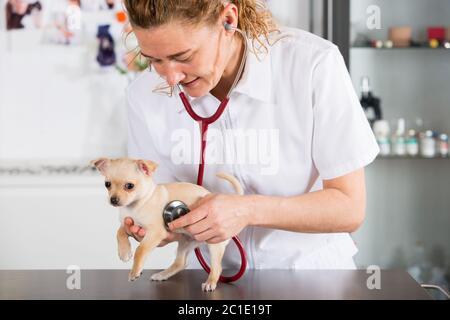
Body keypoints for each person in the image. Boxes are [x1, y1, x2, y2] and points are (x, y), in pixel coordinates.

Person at [122, 0, 380, 270]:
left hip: (314, 277)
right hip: (211, 283)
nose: (171, 78)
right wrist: (160, 225)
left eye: (183, 57)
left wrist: (246, 210)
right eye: (154, 60)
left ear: (228, 21)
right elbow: (159, 196)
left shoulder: (312, 64)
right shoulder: (143, 95)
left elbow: (349, 207)